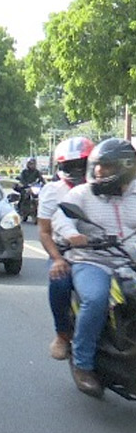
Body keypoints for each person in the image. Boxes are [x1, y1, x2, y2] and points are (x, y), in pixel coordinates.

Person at [53, 138, 136, 397]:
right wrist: (72, 234)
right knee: (96, 298)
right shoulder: (82, 194)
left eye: (107, 167)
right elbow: (60, 218)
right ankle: (83, 364)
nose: (99, 172)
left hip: (129, 260)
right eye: (97, 166)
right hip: (92, 260)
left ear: (125, 167)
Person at [36, 137, 94, 361]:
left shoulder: (105, 187)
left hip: (105, 250)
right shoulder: (53, 191)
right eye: (71, 165)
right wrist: (57, 258)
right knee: (60, 282)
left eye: (82, 163)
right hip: (65, 251)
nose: (77, 169)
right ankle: (62, 334)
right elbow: (44, 231)